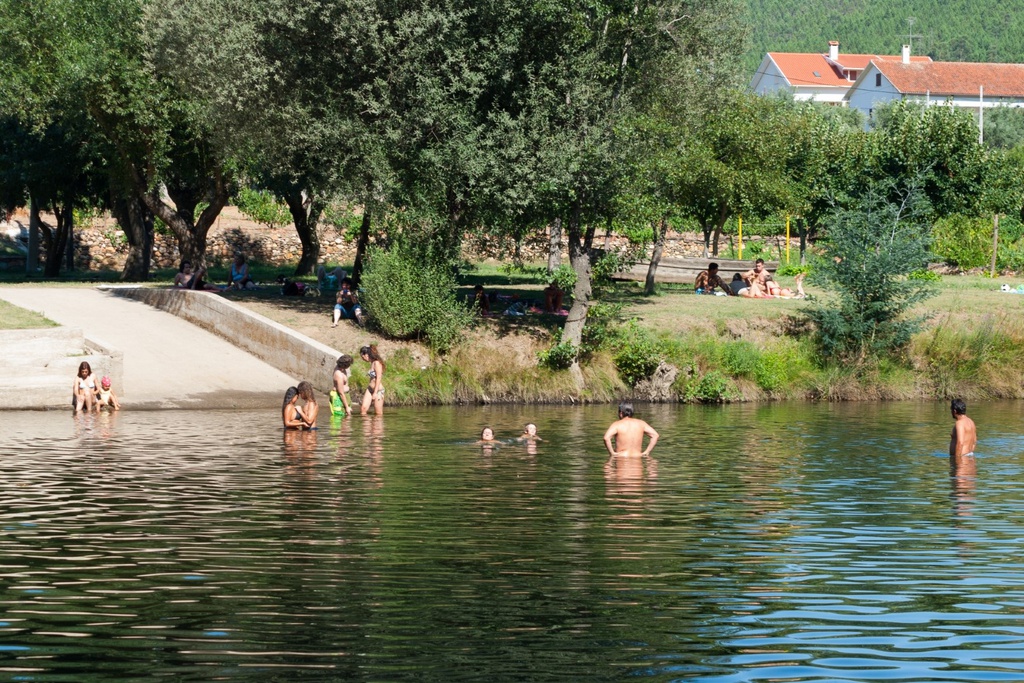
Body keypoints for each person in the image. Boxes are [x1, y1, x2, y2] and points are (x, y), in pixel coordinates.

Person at [949, 398, 977, 472]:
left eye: (951, 410)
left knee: (959, 482)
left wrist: (957, 462)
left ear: (954, 411)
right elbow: (974, 441)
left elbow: (960, 443)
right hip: (970, 457)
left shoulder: (960, 423)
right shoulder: (971, 422)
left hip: (961, 459)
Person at [360, 345, 385, 415]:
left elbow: (379, 377)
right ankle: (367, 425)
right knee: (363, 409)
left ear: (367, 355)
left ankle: (377, 425)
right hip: (370, 389)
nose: (363, 359)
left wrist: (375, 392)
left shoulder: (377, 363)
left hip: (378, 391)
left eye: (363, 357)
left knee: (378, 413)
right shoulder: (372, 363)